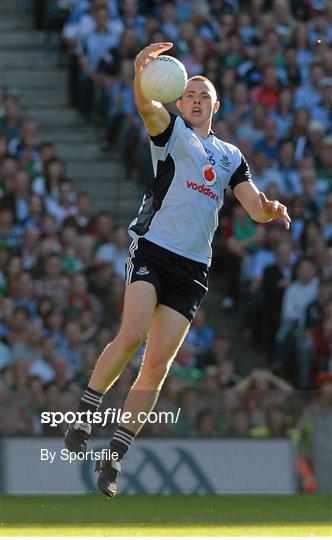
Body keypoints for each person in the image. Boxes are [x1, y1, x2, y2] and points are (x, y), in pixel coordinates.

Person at [64, 42, 291, 498]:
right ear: (180, 102)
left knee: (158, 365)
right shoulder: (171, 133)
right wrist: (139, 73)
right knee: (130, 334)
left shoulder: (230, 156)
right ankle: (87, 414)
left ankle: (114, 457)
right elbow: (146, 105)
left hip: (193, 269)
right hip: (154, 249)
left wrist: (267, 210)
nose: (194, 99)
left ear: (215, 105)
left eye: (202, 95)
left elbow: (252, 207)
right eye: (188, 93)